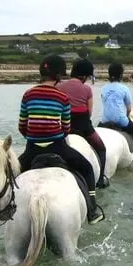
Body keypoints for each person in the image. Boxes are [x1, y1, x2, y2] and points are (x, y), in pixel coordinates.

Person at [18, 54, 102, 224]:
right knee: (86, 168)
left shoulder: (28, 95)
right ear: (59, 75)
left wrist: (33, 137)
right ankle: (92, 210)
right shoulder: (62, 97)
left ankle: (5, 208)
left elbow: (22, 125)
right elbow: (66, 127)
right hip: (57, 147)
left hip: (32, 149)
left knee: (10, 173)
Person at [56, 58, 110, 189]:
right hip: (83, 127)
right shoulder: (86, 89)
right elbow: (90, 112)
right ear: (85, 76)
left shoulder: (59, 87)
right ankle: (100, 179)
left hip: (63, 127)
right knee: (101, 148)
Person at [98, 63, 133, 169]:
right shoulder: (124, 88)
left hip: (105, 121)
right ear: (121, 74)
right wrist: (127, 117)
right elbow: (129, 109)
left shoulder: (104, 88)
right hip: (120, 120)